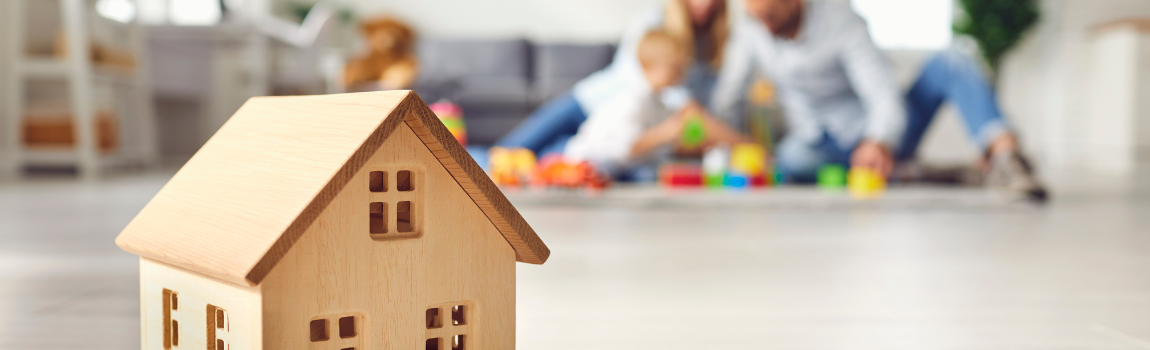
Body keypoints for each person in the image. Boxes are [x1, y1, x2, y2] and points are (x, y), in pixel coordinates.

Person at [712, 0, 1047, 201]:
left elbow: (881, 92)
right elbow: (729, 96)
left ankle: (1007, 160)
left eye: (771, 17)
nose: (764, 28)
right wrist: (722, 148)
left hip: (878, 134)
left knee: (952, 60)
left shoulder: (841, 21)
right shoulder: (752, 29)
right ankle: (910, 174)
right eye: (757, 17)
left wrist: (879, 140)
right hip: (818, 143)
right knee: (791, 161)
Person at [495, 0, 734, 156]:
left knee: (551, 160)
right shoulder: (651, 22)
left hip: (612, 131)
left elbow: (705, 101)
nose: (705, 3)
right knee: (509, 151)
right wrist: (686, 108)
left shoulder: (714, 44)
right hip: (589, 103)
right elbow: (646, 77)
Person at [564, 30, 750, 177]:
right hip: (587, 162)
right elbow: (627, 148)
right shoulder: (632, 101)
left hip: (620, 167)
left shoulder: (660, 102)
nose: (681, 73)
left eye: (682, 67)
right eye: (674, 68)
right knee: (648, 176)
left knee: (660, 170)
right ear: (648, 66)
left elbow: (661, 147)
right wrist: (665, 133)